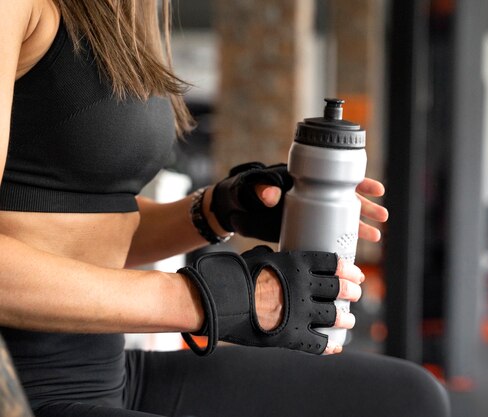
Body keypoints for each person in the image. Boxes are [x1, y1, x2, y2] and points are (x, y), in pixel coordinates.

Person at [0, 1, 449, 416]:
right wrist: (214, 298)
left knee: (407, 399)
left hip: (106, 375)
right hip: (24, 391)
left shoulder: (121, 11)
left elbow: (80, 223)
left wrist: (221, 209)